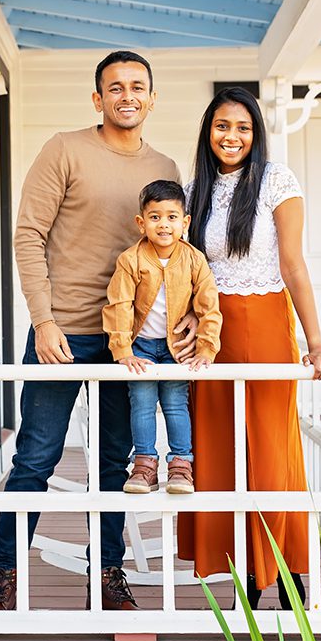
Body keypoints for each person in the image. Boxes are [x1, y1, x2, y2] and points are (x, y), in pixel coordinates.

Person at [0, 51, 195, 612]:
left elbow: (180, 255)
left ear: (152, 98)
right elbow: (28, 235)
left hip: (135, 341)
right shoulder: (64, 149)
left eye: (138, 86)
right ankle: (3, 576)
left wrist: (189, 313)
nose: (127, 95)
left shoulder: (167, 169)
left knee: (115, 462)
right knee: (35, 456)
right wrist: (44, 320)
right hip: (66, 333)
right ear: (98, 98)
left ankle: (108, 573)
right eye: (115, 87)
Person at [177, 86, 321, 610]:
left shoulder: (275, 180)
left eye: (243, 127)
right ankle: (245, 570)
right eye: (223, 126)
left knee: (270, 448)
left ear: (256, 133)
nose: (233, 136)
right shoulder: (194, 189)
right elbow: (184, 269)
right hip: (212, 330)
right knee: (220, 446)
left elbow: (292, 263)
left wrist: (315, 343)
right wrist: (184, 323)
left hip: (266, 320)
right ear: (208, 130)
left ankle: (288, 569)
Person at [103, 180, 222, 496]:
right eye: (155, 217)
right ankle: (144, 465)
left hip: (176, 347)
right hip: (140, 345)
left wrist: (207, 349)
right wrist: (123, 350)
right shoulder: (131, 260)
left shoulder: (194, 260)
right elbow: (119, 304)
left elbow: (209, 305)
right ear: (141, 223)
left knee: (175, 404)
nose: (164, 224)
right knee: (141, 404)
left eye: (172, 217)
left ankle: (181, 465)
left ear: (185, 223)